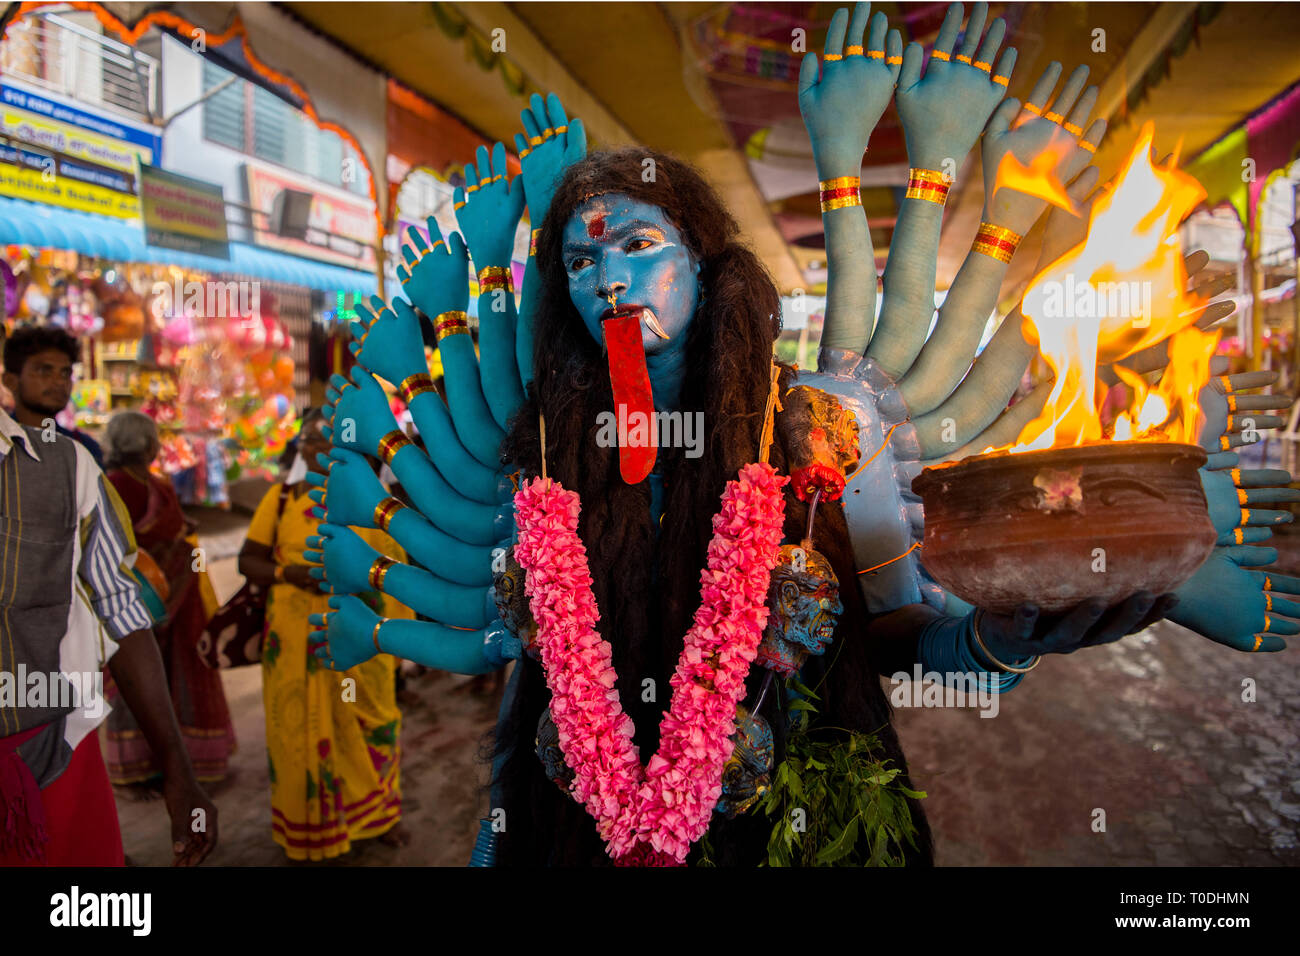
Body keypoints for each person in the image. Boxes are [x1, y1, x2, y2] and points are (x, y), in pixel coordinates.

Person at [0, 330, 216, 865]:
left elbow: (119, 607)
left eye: (62, 371)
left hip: (44, 747)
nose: (55, 382)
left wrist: (179, 774)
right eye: (42, 370)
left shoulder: (70, 466)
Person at [237, 409, 413, 860]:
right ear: (301, 448)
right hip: (296, 639)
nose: (321, 449)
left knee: (372, 719)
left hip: (362, 639)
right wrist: (288, 572)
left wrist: (400, 641)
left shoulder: (375, 503)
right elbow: (247, 561)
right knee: (296, 729)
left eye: (332, 439)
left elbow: (397, 571)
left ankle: (376, 817)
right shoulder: (280, 499)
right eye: (312, 441)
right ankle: (310, 828)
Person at [102, 410, 235, 788]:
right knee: (152, 677)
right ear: (148, 445)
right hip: (150, 598)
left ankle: (156, 764)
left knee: (149, 677)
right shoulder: (126, 485)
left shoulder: (135, 484)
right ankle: (160, 765)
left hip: (161, 596)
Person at [2, 324, 104, 466]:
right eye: (44, 371)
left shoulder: (83, 450)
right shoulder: (3, 447)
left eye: (65, 373)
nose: (59, 382)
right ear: (10, 381)